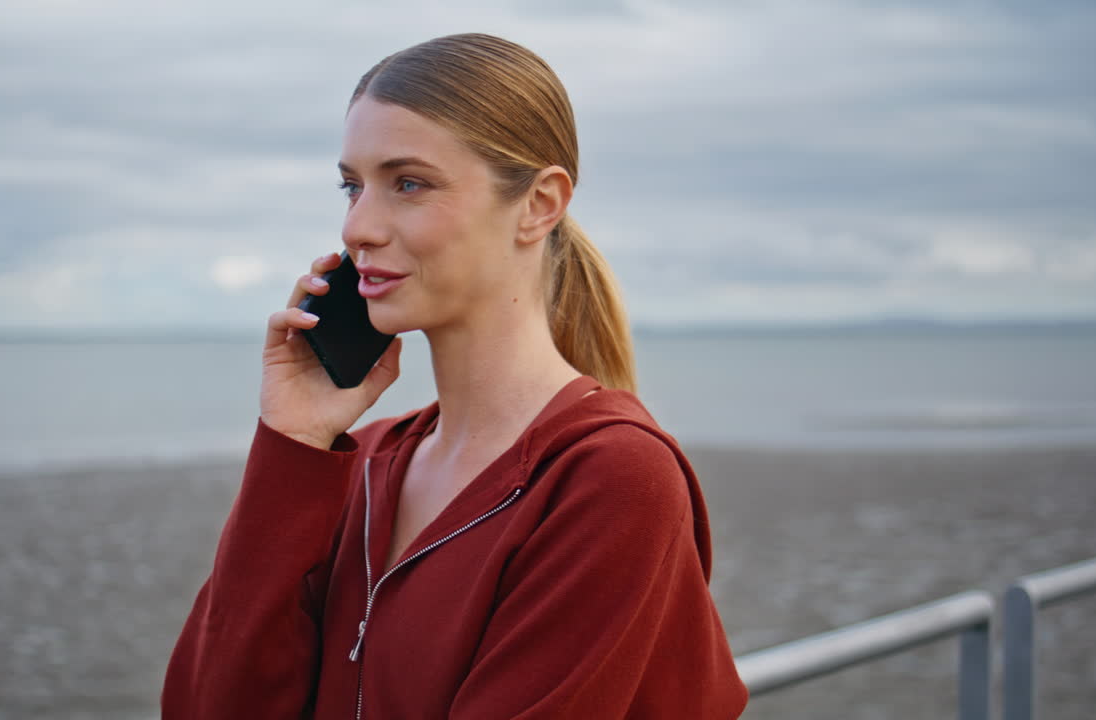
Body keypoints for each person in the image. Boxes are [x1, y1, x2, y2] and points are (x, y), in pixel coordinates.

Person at [162, 33, 747, 719]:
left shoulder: (611, 479)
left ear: (539, 204)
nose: (359, 226)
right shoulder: (366, 462)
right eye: (352, 186)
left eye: (409, 184)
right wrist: (291, 446)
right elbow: (210, 706)